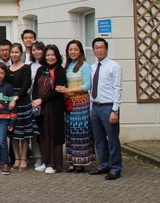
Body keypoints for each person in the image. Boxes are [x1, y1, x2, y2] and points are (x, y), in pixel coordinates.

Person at [56, 39, 94, 172]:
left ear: (80, 51)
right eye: (70, 50)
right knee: (70, 133)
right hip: (70, 104)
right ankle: (72, 160)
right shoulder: (67, 66)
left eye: (75, 49)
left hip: (81, 104)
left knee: (81, 133)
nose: (73, 52)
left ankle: (81, 162)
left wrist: (68, 91)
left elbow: (87, 86)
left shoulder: (84, 66)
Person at [88, 37, 123, 180]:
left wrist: (115, 110)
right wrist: (91, 108)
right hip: (95, 107)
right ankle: (104, 165)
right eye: (96, 47)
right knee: (99, 139)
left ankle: (115, 168)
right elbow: (91, 90)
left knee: (112, 139)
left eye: (101, 47)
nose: (99, 50)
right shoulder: (92, 67)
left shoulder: (114, 67)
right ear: (93, 50)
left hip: (108, 107)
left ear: (106, 49)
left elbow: (117, 89)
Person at [31, 44, 67, 174]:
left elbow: (57, 91)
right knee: (43, 135)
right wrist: (35, 100)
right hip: (41, 107)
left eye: (52, 55)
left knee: (53, 134)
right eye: (48, 55)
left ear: (57, 56)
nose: (50, 57)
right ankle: (46, 161)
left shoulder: (60, 71)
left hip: (54, 106)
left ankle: (54, 163)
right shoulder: (41, 70)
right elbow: (35, 87)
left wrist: (42, 100)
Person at [6, 43, 38, 170]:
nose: (14, 54)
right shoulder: (7, 69)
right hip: (10, 103)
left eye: (16, 52)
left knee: (24, 133)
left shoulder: (26, 67)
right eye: (12, 52)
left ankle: (24, 158)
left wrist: (15, 98)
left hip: (22, 102)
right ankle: (17, 158)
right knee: (13, 132)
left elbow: (26, 86)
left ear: (21, 54)